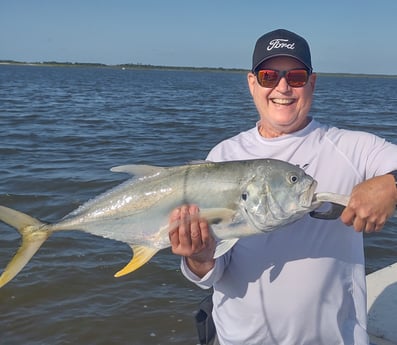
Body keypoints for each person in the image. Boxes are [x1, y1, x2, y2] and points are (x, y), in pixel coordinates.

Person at [168, 29, 397, 345]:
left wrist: (390, 184)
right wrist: (199, 257)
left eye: (297, 77)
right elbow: (212, 271)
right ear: (252, 84)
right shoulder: (223, 155)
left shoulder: (353, 148)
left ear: (312, 83)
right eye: (268, 75)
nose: (283, 87)